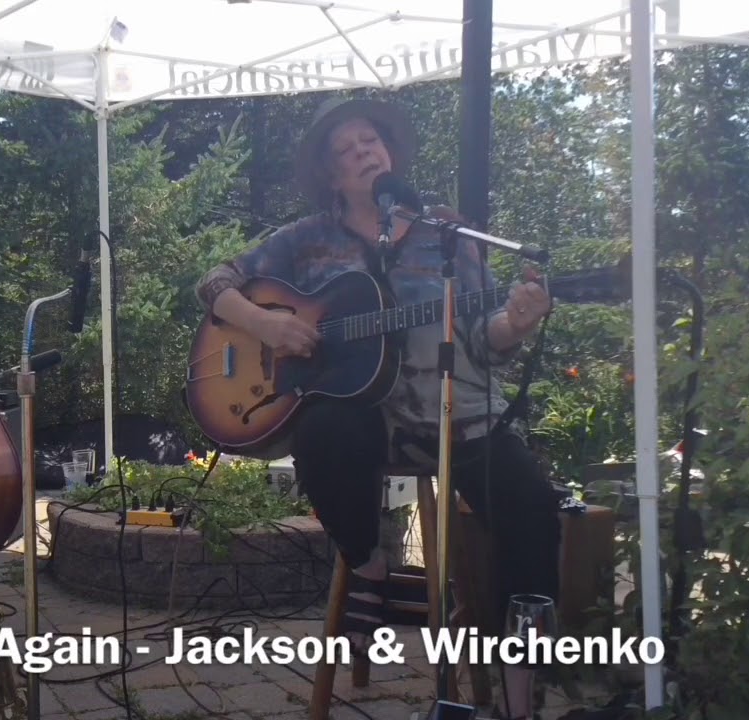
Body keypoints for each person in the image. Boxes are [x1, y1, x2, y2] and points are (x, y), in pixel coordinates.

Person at [194, 96, 562, 719]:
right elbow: (212, 285)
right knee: (324, 432)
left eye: (371, 141)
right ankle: (367, 563)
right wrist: (267, 325)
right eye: (347, 149)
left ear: (389, 153)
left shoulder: (449, 234)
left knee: (532, 504)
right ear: (331, 175)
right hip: (366, 422)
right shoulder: (305, 240)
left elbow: (481, 338)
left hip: (456, 414)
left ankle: (519, 687)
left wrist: (516, 325)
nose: (365, 152)